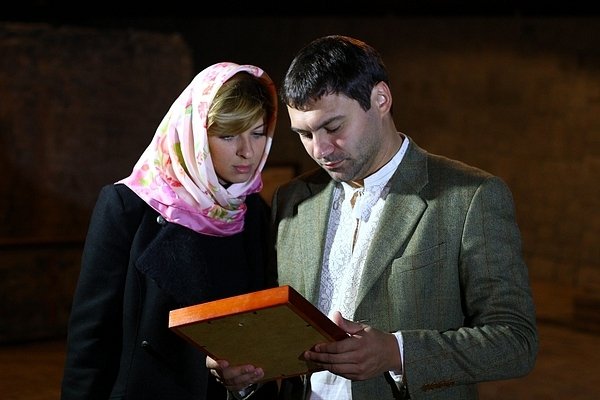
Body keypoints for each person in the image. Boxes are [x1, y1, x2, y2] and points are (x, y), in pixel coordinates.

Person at [269, 35, 538, 399]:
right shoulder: (292, 199)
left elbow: (516, 341)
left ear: (381, 99)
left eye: (333, 128)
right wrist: (245, 376)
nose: (320, 149)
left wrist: (397, 353)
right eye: (304, 134)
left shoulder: (470, 197)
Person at [61, 62, 279, 400]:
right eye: (228, 135)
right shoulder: (129, 206)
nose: (247, 151)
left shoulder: (254, 212)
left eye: (258, 133)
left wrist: (245, 381)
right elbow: (91, 338)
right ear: (194, 134)